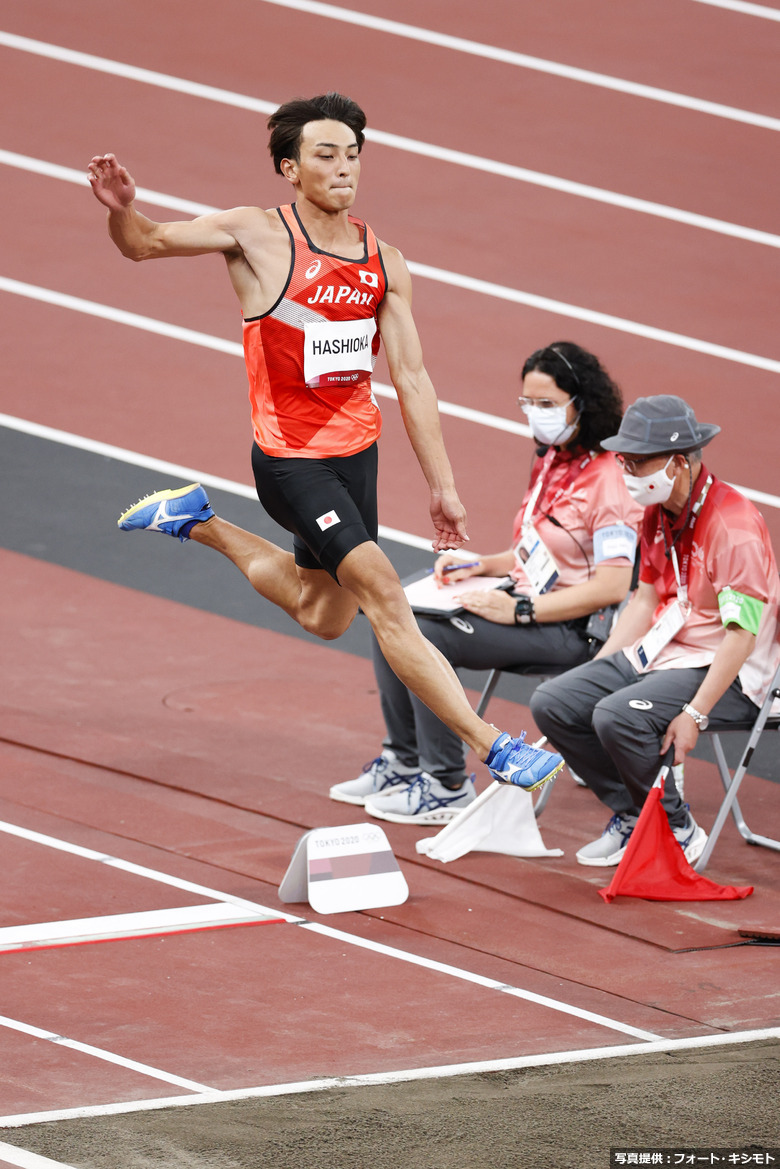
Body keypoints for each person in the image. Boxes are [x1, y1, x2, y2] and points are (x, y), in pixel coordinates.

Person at [87, 92, 563, 791]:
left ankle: (200, 521)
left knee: (324, 613)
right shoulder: (255, 234)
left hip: (354, 459)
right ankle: (492, 746)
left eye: (353, 155)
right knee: (382, 592)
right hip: (289, 461)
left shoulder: (385, 262)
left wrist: (444, 487)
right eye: (325, 155)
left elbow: (412, 377)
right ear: (290, 167)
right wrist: (123, 208)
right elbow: (146, 244)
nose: (344, 168)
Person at [329, 341, 643, 824]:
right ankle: (403, 760)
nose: (535, 415)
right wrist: (485, 566)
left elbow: (612, 587)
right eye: (528, 403)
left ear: (582, 404)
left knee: (424, 634)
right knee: (389, 610)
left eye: (547, 405)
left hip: (572, 629)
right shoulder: (554, 459)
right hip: (523, 600)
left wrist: (518, 612)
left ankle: (445, 784)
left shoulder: (610, 483)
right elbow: (542, 553)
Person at [530, 394, 780, 867]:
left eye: (640, 462)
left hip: (731, 670)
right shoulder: (657, 513)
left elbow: (742, 636)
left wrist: (695, 714)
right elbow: (645, 599)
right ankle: (634, 816)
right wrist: (601, 665)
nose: (627, 472)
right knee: (556, 701)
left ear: (680, 462)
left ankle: (676, 828)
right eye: (625, 460)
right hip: (666, 650)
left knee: (615, 715)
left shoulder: (733, 523)